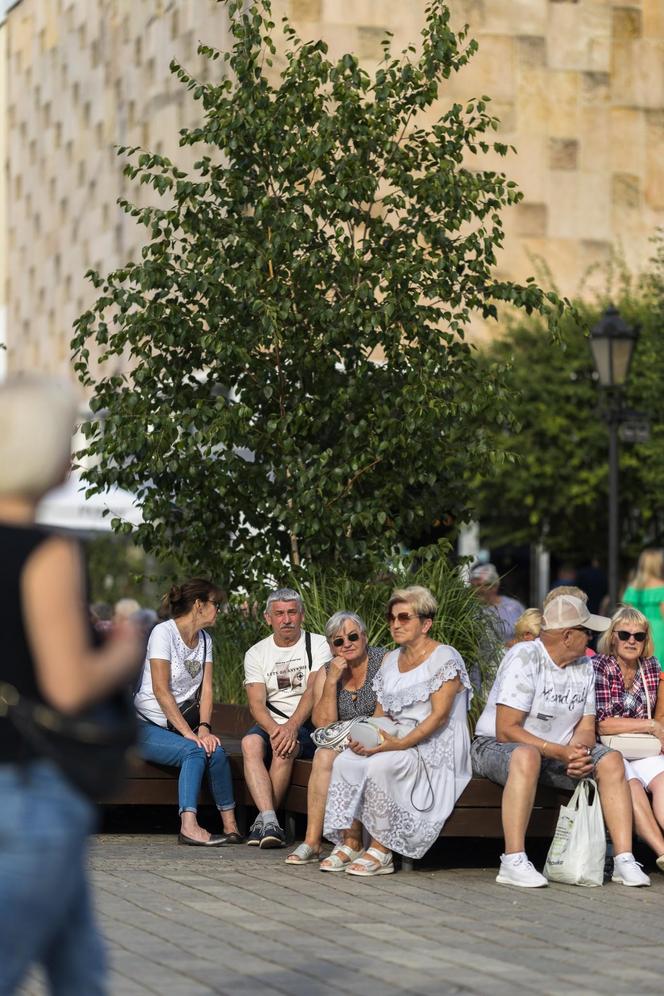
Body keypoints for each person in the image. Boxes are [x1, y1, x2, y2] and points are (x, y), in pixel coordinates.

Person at [0, 376, 142, 993]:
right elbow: (67, 684)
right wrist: (126, 648)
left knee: (80, 964)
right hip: (33, 785)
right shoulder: (47, 552)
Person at [472, 592, 651, 887]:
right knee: (527, 754)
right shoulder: (525, 656)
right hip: (495, 746)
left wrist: (578, 753)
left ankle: (623, 859)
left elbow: (586, 724)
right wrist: (558, 751)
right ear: (568, 635)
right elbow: (506, 729)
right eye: (587, 632)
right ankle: (513, 860)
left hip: (556, 752)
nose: (591, 639)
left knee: (611, 761)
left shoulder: (583, 666)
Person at [323, 585, 473, 877]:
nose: (395, 624)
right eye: (391, 618)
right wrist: (369, 737)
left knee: (381, 765)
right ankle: (352, 841)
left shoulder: (445, 658)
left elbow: (440, 718)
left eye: (404, 618)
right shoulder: (391, 660)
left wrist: (396, 745)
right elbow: (381, 713)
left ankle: (382, 849)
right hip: (396, 736)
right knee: (345, 761)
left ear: (426, 623)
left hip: (434, 744)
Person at [134, 579, 242, 845]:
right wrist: (189, 735)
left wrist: (204, 728)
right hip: (144, 725)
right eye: (215, 604)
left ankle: (231, 827)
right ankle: (188, 826)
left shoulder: (205, 640)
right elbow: (161, 690)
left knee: (214, 750)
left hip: (180, 726)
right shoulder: (163, 633)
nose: (219, 610)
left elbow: (206, 691)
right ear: (198, 605)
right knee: (193, 750)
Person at [285, 611, 386, 867]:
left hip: (376, 736)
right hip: (340, 740)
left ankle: (353, 842)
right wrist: (331, 681)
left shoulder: (382, 661)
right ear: (331, 646)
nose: (347, 644)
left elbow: (384, 714)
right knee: (322, 756)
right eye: (338, 641)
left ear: (364, 637)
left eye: (352, 636)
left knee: (345, 758)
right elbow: (322, 723)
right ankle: (312, 840)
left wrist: (365, 737)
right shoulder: (327, 671)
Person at [241, 588, 331, 848]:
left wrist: (291, 728)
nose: (286, 619)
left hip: (306, 724)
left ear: (302, 615)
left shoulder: (318, 644)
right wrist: (275, 729)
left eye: (292, 612)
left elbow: (314, 691)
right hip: (272, 722)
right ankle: (269, 820)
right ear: (268, 618)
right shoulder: (256, 653)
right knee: (249, 743)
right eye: (279, 614)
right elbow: (256, 705)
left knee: (283, 748)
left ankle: (264, 823)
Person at [593, 606, 664, 870]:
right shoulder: (601, 665)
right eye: (624, 635)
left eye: (639, 636)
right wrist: (650, 725)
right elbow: (603, 724)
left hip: (643, 747)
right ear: (613, 637)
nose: (631, 641)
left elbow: (660, 716)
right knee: (630, 786)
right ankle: (661, 852)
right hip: (611, 748)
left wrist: (657, 728)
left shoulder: (651, 665)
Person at [622, 549, 664, 668]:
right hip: (659, 633)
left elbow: (625, 614)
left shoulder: (632, 588)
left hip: (636, 633)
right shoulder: (662, 588)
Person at [469, 562, 525, 644]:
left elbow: (530, 633)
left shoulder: (514, 607)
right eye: (473, 586)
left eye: (480, 585)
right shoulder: (470, 611)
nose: (476, 590)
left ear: (494, 586)